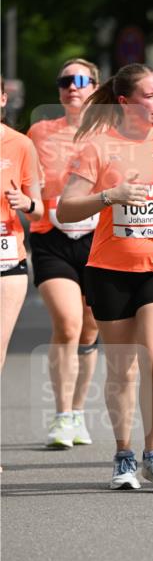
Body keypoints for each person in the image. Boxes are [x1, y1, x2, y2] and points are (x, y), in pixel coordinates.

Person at [57, 63, 153, 491]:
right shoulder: (98, 146)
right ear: (125, 102)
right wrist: (110, 196)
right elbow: (66, 209)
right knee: (122, 370)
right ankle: (123, 456)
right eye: (150, 96)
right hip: (110, 270)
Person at [28, 59, 100, 449]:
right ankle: (61, 416)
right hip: (51, 236)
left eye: (80, 80)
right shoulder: (39, 132)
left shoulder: (112, 134)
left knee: (91, 328)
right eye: (65, 81)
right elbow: (21, 175)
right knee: (69, 323)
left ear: (95, 88)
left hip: (97, 239)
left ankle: (77, 412)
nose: (72, 87)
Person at [1, 77, 44, 371]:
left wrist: (25, 203)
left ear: (3, 99)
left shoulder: (21, 145)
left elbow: (38, 210)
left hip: (7, 258)